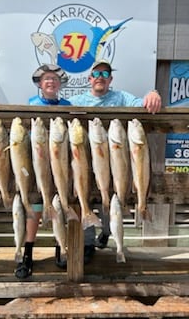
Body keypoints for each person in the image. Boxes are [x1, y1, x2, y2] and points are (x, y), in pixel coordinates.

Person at [68, 59, 162, 248]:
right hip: (84, 160)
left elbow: (141, 104)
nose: (99, 78)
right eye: (96, 74)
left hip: (114, 161)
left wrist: (154, 93)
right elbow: (56, 110)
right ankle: (86, 246)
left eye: (104, 74)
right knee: (81, 199)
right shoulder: (76, 100)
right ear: (89, 78)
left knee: (112, 201)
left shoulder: (121, 97)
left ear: (110, 79)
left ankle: (106, 232)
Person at [15, 64, 96, 279]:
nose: (50, 81)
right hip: (39, 165)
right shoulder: (31, 105)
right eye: (46, 79)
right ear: (40, 84)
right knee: (36, 207)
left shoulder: (67, 105)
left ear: (60, 84)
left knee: (64, 205)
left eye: (54, 79)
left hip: (62, 166)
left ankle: (62, 247)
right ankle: (27, 254)